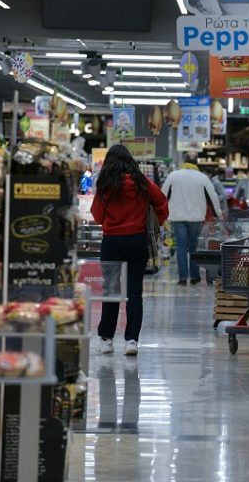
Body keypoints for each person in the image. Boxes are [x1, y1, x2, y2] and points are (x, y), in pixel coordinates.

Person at [91, 144, 168, 356]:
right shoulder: (142, 182)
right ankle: (131, 340)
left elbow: (97, 215)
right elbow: (161, 201)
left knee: (112, 290)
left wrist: (111, 219)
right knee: (135, 292)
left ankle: (107, 340)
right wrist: (156, 222)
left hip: (112, 242)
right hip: (137, 240)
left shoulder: (106, 184)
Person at [162, 153, 222, 286]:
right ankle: (195, 277)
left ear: (184, 161)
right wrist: (218, 214)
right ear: (196, 162)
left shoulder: (173, 176)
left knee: (181, 247)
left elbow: (163, 195)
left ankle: (182, 278)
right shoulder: (202, 178)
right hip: (196, 218)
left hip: (178, 217)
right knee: (194, 247)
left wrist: (160, 214)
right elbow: (213, 196)